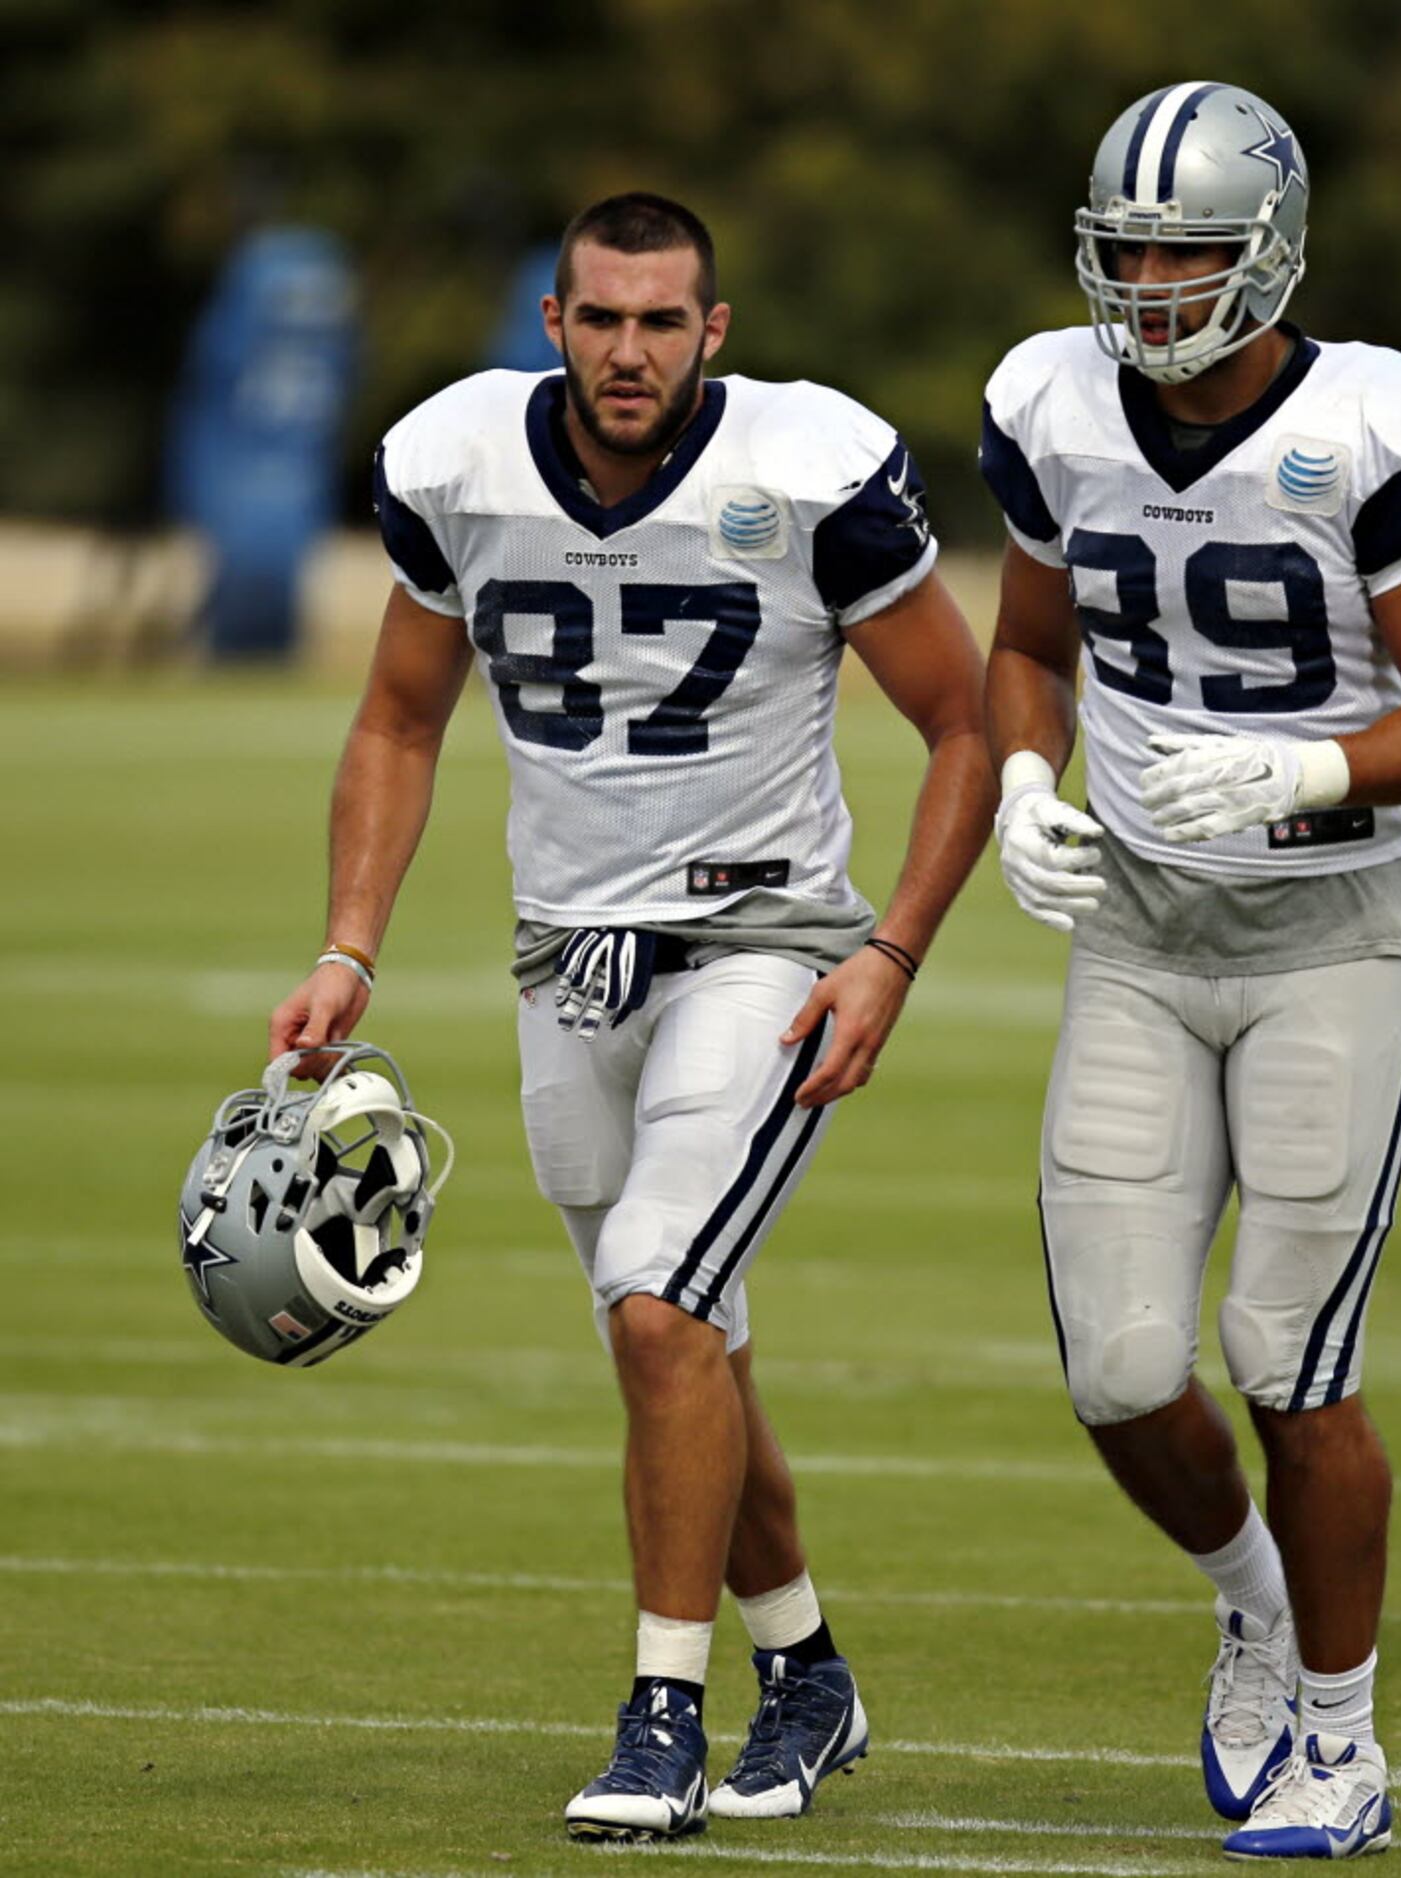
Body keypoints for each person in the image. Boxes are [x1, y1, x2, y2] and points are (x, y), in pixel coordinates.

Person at [269, 192, 992, 1840]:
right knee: (675, 1341)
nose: (629, 350)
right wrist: (350, 950)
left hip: (763, 942)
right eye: (601, 317)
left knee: (662, 1303)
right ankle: (807, 1673)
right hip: (564, 960)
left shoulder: (806, 469)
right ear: (553, 319)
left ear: (712, 333)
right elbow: (396, 717)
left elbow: (958, 722)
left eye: (663, 321)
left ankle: (662, 1711)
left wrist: (890, 950)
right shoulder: (461, 464)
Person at [980, 83, 1401, 1861]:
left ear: (1268, 246)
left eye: (1185, 247)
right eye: (1126, 249)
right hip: (1134, 930)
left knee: (1290, 1354)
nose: (1146, 282)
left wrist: (1314, 767)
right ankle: (1257, 1604)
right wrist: (1021, 776)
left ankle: (1344, 1741)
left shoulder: (1374, 422)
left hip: (1328, 936)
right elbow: (1027, 644)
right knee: (1122, 1371)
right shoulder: (1054, 403)